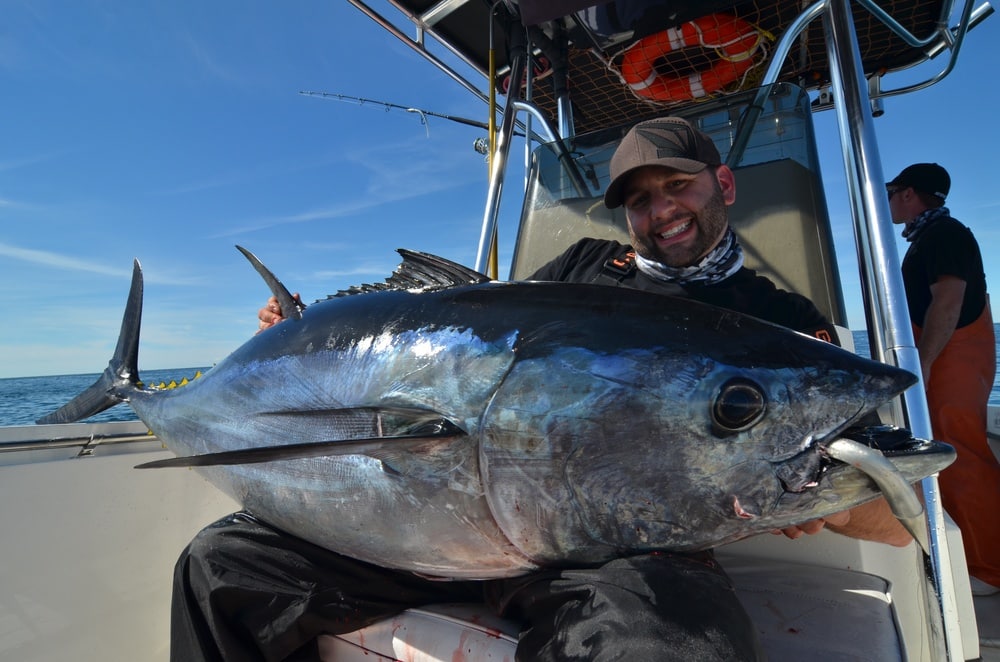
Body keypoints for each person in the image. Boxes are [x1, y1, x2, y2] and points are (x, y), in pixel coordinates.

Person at [173, 117, 913, 662]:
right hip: (440, 523)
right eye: (640, 199)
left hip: (620, 556)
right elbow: (446, 328)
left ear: (721, 183)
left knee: (669, 647)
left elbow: (895, 520)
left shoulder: (782, 326)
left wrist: (828, 503)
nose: (661, 211)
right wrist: (295, 337)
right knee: (221, 567)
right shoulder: (582, 270)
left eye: (678, 185)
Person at [886, 162, 1000, 595]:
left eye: (893, 192)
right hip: (947, 360)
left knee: (963, 456)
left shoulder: (944, 235)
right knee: (950, 458)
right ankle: (970, 557)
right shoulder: (931, 236)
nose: (890, 202)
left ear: (910, 194)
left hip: (954, 362)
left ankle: (989, 567)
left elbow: (948, 302)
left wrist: (925, 363)